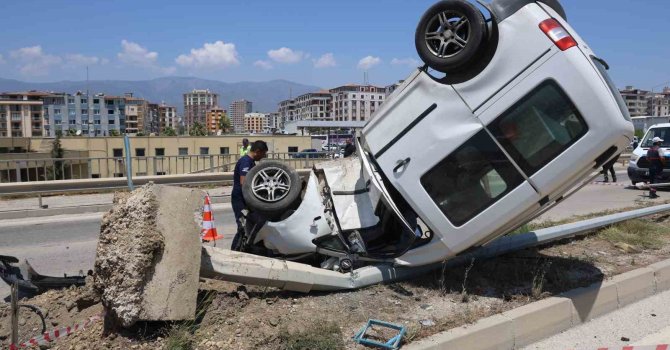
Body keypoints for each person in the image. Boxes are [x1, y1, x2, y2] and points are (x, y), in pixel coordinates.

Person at [231, 140, 268, 250]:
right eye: (263, 153)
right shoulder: (246, 162)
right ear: (257, 151)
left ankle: (247, 249)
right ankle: (234, 251)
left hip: (245, 198)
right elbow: (244, 182)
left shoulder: (251, 162)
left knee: (251, 225)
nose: (263, 156)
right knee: (242, 226)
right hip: (240, 198)